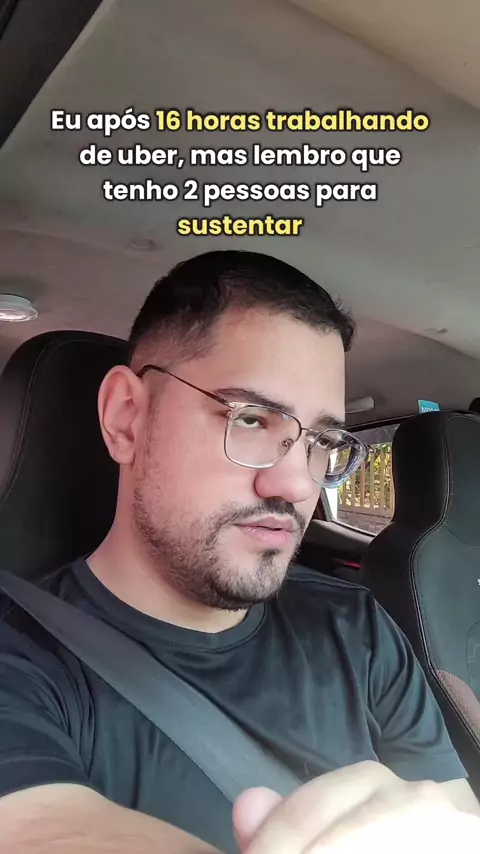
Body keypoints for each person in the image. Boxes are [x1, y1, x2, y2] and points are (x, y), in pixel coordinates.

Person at [0, 250, 478, 854]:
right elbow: (40, 826)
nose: (298, 484)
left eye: (322, 441)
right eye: (251, 419)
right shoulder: (19, 658)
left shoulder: (357, 628)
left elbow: (450, 807)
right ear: (127, 419)